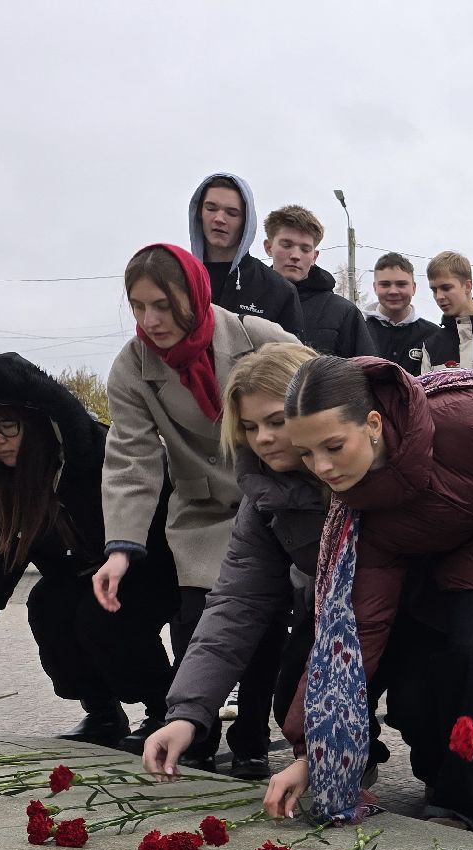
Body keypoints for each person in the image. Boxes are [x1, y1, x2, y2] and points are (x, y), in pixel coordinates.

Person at [259, 355, 473, 829]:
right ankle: (461, 800)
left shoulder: (468, 412)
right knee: (466, 650)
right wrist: (314, 752)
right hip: (468, 556)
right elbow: (356, 631)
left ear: (372, 423)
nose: (322, 468)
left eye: (333, 446)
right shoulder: (363, 511)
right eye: (306, 454)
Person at [0, 353, 177, 746]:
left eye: (8, 426)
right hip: (79, 575)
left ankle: (164, 710)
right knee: (48, 604)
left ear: (38, 422)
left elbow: (156, 508)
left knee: (100, 617)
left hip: (147, 565)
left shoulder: (101, 454)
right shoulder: (8, 487)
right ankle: (102, 712)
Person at [96, 242, 299, 763]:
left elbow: (319, 396)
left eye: (163, 305)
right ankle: (194, 738)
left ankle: (251, 739)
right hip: (203, 511)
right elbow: (130, 457)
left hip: (274, 499)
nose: (150, 320)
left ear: (194, 295)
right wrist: (121, 548)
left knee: (267, 616)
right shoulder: (133, 367)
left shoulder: (256, 336)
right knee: (194, 623)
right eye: (139, 307)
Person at [142, 343, 325, 781]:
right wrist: (186, 713)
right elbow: (236, 602)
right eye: (249, 426)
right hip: (324, 607)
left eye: (277, 421)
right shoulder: (263, 495)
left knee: (425, 694)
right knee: (292, 703)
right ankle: (339, 765)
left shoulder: (358, 471)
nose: (262, 438)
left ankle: (455, 803)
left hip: (409, 608)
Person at [188, 173, 304, 337]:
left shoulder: (278, 290)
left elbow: (293, 359)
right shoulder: (177, 280)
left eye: (232, 213)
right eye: (211, 208)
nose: (219, 218)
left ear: (246, 220)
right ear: (199, 212)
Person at [264, 205, 374, 358]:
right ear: (268, 247)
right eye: (287, 245)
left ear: (314, 256)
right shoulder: (246, 298)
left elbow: (367, 374)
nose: (295, 255)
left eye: (305, 249)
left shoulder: (343, 312)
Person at [366, 253, 438, 375]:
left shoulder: (433, 336)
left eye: (401, 284)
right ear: (375, 287)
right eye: (385, 284)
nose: (393, 291)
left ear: (414, 288)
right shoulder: (359, 330)